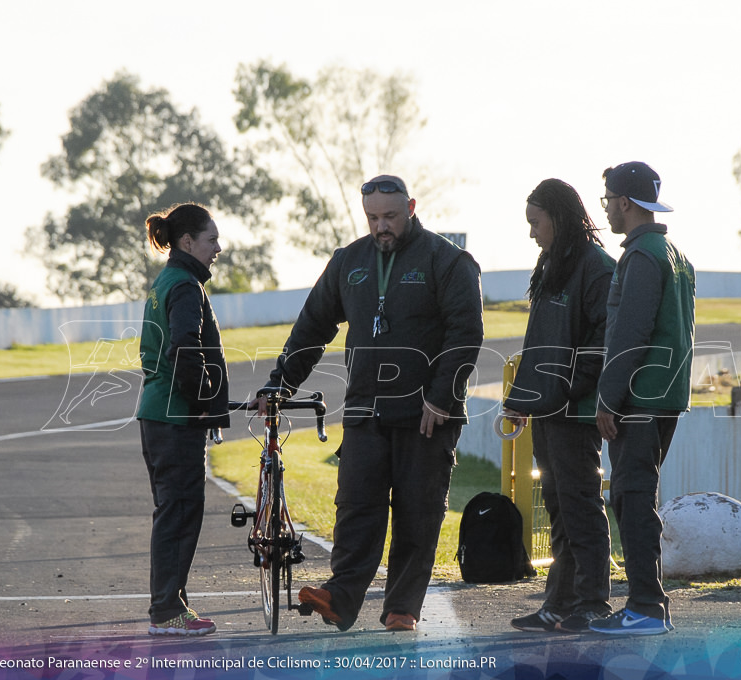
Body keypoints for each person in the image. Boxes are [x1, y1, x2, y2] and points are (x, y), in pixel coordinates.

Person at [252, 175, 484, 632]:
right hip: (364, 412)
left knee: (418, 514)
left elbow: (466, 334)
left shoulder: (448, 260)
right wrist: (281, 384)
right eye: (373, 218)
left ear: (411, 207)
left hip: (426, 416)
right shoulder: (349, 262)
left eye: (390, 217)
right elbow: (312, 326)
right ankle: (340, 597)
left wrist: (442, 397)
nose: (382, 227)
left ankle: (401, 607)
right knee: (356, 508)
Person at [503, 179, 616, 634]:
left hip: (577, 412)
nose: (532, 233)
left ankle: (594, 603)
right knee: (558, 507)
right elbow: (539, 342)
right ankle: (560, 603)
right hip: (547, 409)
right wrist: (521, 400)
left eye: (536, 222)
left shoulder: (597, 267)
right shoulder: (552, 262)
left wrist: (568, 388)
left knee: (581, 505)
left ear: (559, 217)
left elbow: (605, 341)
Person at [590, 162, 695, 636]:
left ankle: (646, 607)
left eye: (608, 200)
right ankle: (645, 604)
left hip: (637, 399)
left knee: (631, 499)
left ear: (625, 202)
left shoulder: (640, 256)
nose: (607, 209)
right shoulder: (673, 251)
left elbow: (631, 332)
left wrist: (609, 398)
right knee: (638, 496)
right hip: (666, 396)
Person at [136, 202, 229, 636]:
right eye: (212, 240)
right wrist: (206, 401)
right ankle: (167, 613)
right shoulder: (186, 285)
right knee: (179, 512)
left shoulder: (167, 280)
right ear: (187, 241)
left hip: (158, 414)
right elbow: (185, 348)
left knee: (173, 511)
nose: (218, 248)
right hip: (175, 418)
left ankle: (171, 606)